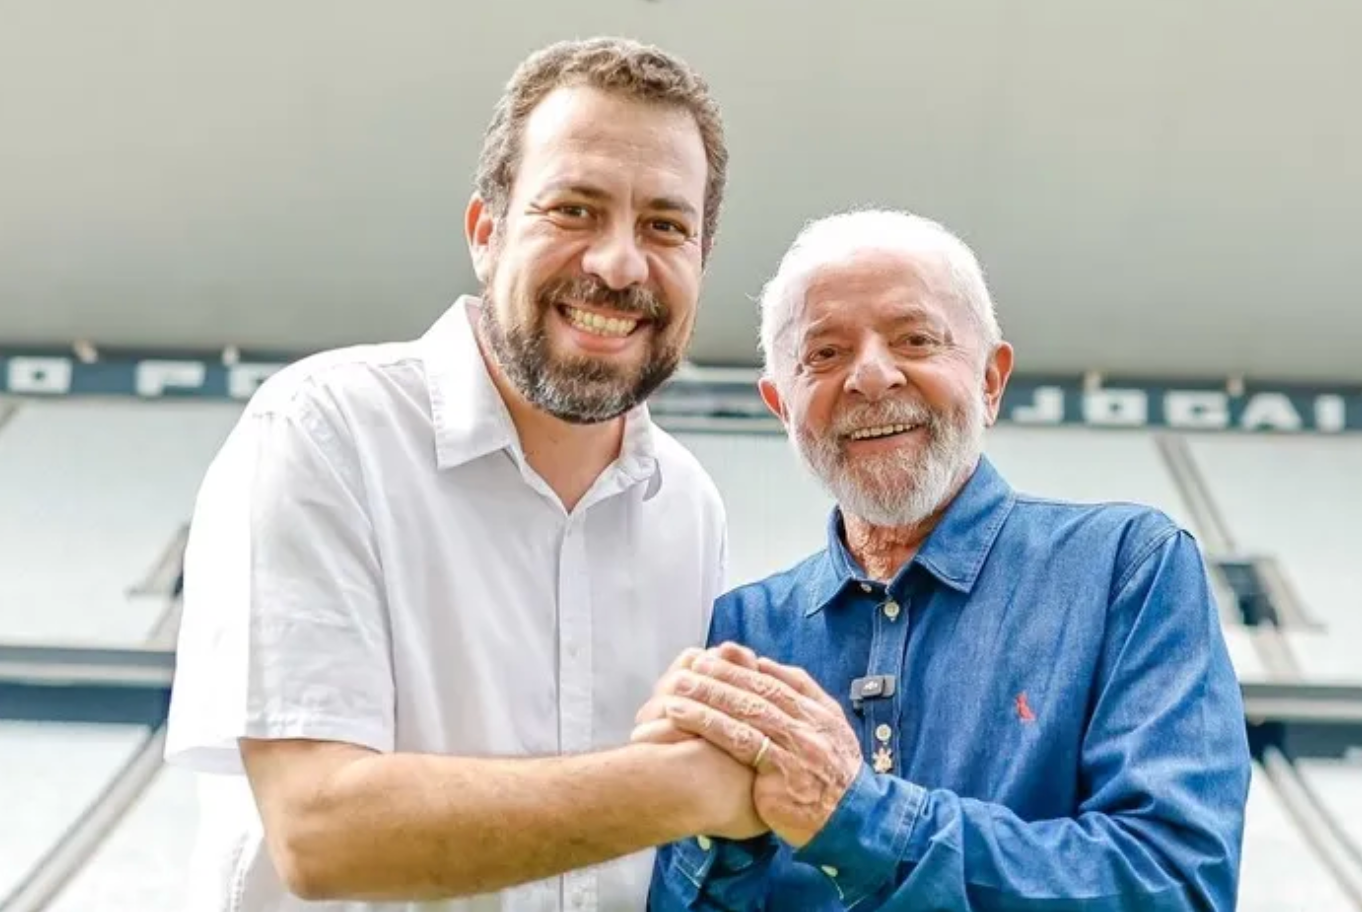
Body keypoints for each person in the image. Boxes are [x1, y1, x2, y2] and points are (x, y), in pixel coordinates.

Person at [164, 37, 766, 912]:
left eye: (666, 226)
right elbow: (318, 829)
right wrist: (688, 786)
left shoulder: (688, 506)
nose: (619, 264)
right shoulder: (323, 433)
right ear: (486, 233)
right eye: (574, 209)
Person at [639, 208, 1252, 911]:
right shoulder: (740, 632)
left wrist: (857, 817)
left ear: (992, 381)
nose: (871, 377)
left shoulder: (1127, 570)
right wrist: (717, 845)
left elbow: (1175, 885)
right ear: (783, 407)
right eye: (825, 354)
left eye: (916, 339)